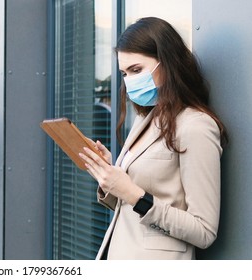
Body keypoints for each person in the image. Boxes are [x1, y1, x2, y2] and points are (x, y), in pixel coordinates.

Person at [78, 17, 228, 260]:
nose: (129, 80)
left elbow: (204, 231)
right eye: (124, 73)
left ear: (168, 63)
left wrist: (134, 194)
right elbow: (128, 204)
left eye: (137, 70)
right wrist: (109, 176)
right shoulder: (148, 118)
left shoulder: (196, 126)